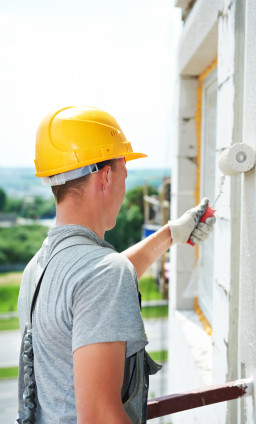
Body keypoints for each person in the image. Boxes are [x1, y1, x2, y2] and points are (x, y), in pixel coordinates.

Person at [16, 106, 215, 424]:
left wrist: (170, 235)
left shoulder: (37, 269)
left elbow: (92, 289)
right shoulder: (103, 275)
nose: (124, 186)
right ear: (106, 176)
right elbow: (100, 417)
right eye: (125, 172)